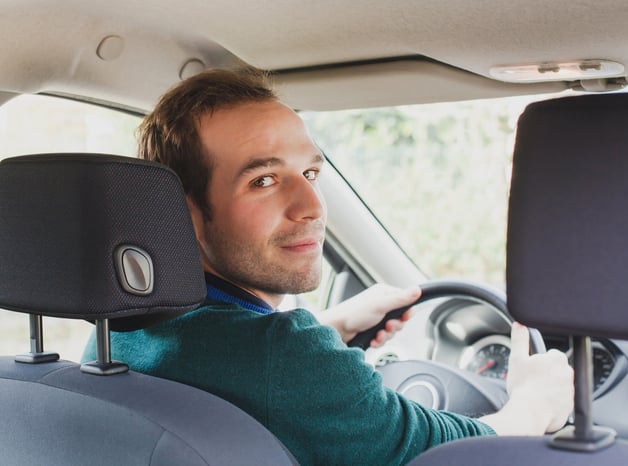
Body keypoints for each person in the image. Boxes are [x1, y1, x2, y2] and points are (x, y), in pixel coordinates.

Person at [84, 66, 573, 465]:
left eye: (311, 172)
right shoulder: (284, 357)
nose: (312, 205)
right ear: (182, 215)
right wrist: (536, 402)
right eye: (264, 180)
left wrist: (330, 327)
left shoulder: (118, 331)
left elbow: (240, 362)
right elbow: (452, 456)